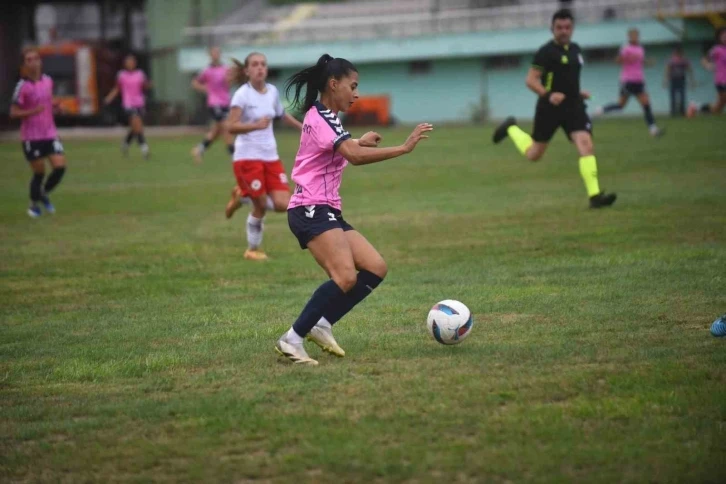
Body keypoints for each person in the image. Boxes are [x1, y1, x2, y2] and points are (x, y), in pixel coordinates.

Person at [275, 54, 433, 365]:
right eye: (353, 86)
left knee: (375, 267)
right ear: (334, 85)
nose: (357, 93)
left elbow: (339, 147)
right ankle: (291, 339)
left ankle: (322, 324)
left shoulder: (325, 116)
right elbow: (353, 156)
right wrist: (403, 148)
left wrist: (358, 139)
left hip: (326, 209)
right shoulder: (323, 117)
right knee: (345, 276)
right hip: (311, 208)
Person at [492, 9, 617, 209]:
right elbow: (531, 80)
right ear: (552, 29)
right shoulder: (545, 52)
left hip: (574, 107)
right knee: (534, 154)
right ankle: (511, 128)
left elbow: (570, 79)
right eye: (559, 28)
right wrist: (548, 94)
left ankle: (595, 196)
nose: (563, 31)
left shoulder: (576, 50)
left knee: (586, 145)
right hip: (549, 108)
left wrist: (578, 93)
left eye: (567, 27)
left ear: (573, 29)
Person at [225, 52, 303, 261]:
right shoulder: (242, 95)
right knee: (259, 204)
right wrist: (255, 125)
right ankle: (252, 249)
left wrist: (303, 127)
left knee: (283, 205)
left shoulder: (272, 92)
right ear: (247, 70)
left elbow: (281, 114)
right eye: (255, 64)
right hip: (247, 158)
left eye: (263, 64)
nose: (260, 68)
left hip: (271, 157)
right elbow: (230, 126)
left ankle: (242, 196)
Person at [10, 47, 67, 218]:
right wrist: (33, 111)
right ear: (24, 65)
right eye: (29, 59)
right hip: (32, 137)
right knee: (40, 172)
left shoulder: (48, 81)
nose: (33, 62)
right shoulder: (22, 86)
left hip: (50, 133)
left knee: (60, 167)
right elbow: (13, 112)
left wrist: (57, 106)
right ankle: (34, 205)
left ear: (40, 61)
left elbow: (47, 100)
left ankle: (42, 193)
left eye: (36, 58)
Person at [594, 28, 663, 136]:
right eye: (633, 35)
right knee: (621, 105)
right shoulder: (626, 48)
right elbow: (618, 60)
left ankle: (653, 129)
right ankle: (601, 110)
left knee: (646, 104)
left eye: (637, 35)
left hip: (639, 80)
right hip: (627, 80)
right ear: (629, 37)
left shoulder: (640, 48)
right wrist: (626, 58)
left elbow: (640, 62)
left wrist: (648, 62)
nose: (635, 37)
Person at [190, 46, 235, 164]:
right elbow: (195, 82)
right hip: (214, 103)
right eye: (213, 53)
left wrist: (231, 78)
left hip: (225, 102)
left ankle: (199, 149)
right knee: (227, 128)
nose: (215, 55)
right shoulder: (206, 70)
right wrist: (205, 89)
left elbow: (229, 84)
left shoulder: (226, 68)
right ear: (210, 55)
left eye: (217, 53)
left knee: (216, 131)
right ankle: (234, 155)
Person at [104, 54, 152, 159]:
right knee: (138, 125)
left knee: (135, 128)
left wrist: (149, 84)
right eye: (128, 62)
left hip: (139, 103)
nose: (130, 64)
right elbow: (117, 88)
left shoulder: (140, 74)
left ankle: (125, 144)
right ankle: (145, 149)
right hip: (128, 103)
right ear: (125, 64)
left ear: (135, 63)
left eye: (132, 62)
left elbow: (145, 86)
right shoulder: (121, 75)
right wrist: (109, 98)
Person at [688, 27, 726, 117]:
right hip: (721, 80)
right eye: (723, 35)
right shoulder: (717, 49)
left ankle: (695, 107)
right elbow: (704, 59)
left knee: (717, 108)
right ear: (719, 37)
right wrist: (708, 65)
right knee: (719, 105)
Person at [663, 45, 694, 117]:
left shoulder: (684, 60)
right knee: (673, 96)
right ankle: (673, 112)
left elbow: (689, 69)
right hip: (673, 80)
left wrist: (692, 80)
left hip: (681, 80)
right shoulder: (671, 60)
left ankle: (682, 111)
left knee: (682, 96)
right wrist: (666, 80)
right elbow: (667, 70)